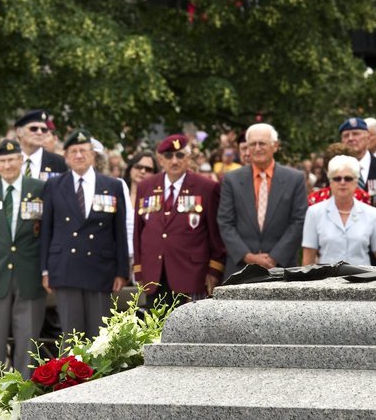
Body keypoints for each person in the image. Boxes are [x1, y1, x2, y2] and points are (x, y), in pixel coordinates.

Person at [41, 129, 129, 337]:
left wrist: (122, 270)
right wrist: (45, 270)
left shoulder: (112, 185)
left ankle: (102, 372)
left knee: (100, 337)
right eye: (73, 151)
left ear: (93, 155)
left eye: (83, 150)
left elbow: (120, 231)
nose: (79, 155)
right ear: (66, 157)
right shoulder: (54, 185)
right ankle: (72, 372)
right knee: (72, 337)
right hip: (65, 266)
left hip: (100, 267)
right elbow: (46, 229)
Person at [0, 140, 46, 378]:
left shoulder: (40, 189)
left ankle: (26, 396)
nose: (7, 165)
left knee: (28, 342)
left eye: (12, 159)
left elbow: (45, 233)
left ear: (21, 160)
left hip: (29, 275)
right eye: (2, 161)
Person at [133, 134, 225, 301]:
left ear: (188, 158)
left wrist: (214, 270)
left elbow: (216, 235)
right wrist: (139, 269)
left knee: (190, 326)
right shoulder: (145, 187)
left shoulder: (206, 187)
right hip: (154, 275)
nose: (174, 161)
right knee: (156, 326)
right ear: (160, 160)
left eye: (180, 155)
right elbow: (138, 232)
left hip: (192, 275)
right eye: (168, 156)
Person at [217, 124, 307, 279]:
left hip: (281, 268)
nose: (257, 148)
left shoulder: (295, 179)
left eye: (262, 143)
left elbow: (298, 222)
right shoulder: (231, 180)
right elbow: (225, 222)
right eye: (252, 144)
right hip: (240, 269)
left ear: (275, 146)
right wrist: (249, 257)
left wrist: (274, 257)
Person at [301, 155, 376, 267]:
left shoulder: (371, 213)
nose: (342, 182)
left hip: (363, 281)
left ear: (356, 182)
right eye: (337, 178)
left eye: (348, 178)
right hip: (326, 281)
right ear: (330, 182)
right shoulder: (314, 212)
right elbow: (308, 260)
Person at [0, 110, 67, 180]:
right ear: (19, 132)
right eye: (33, 129)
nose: (39, 132)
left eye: (44, 130)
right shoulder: (3, 160)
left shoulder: (59, 162)